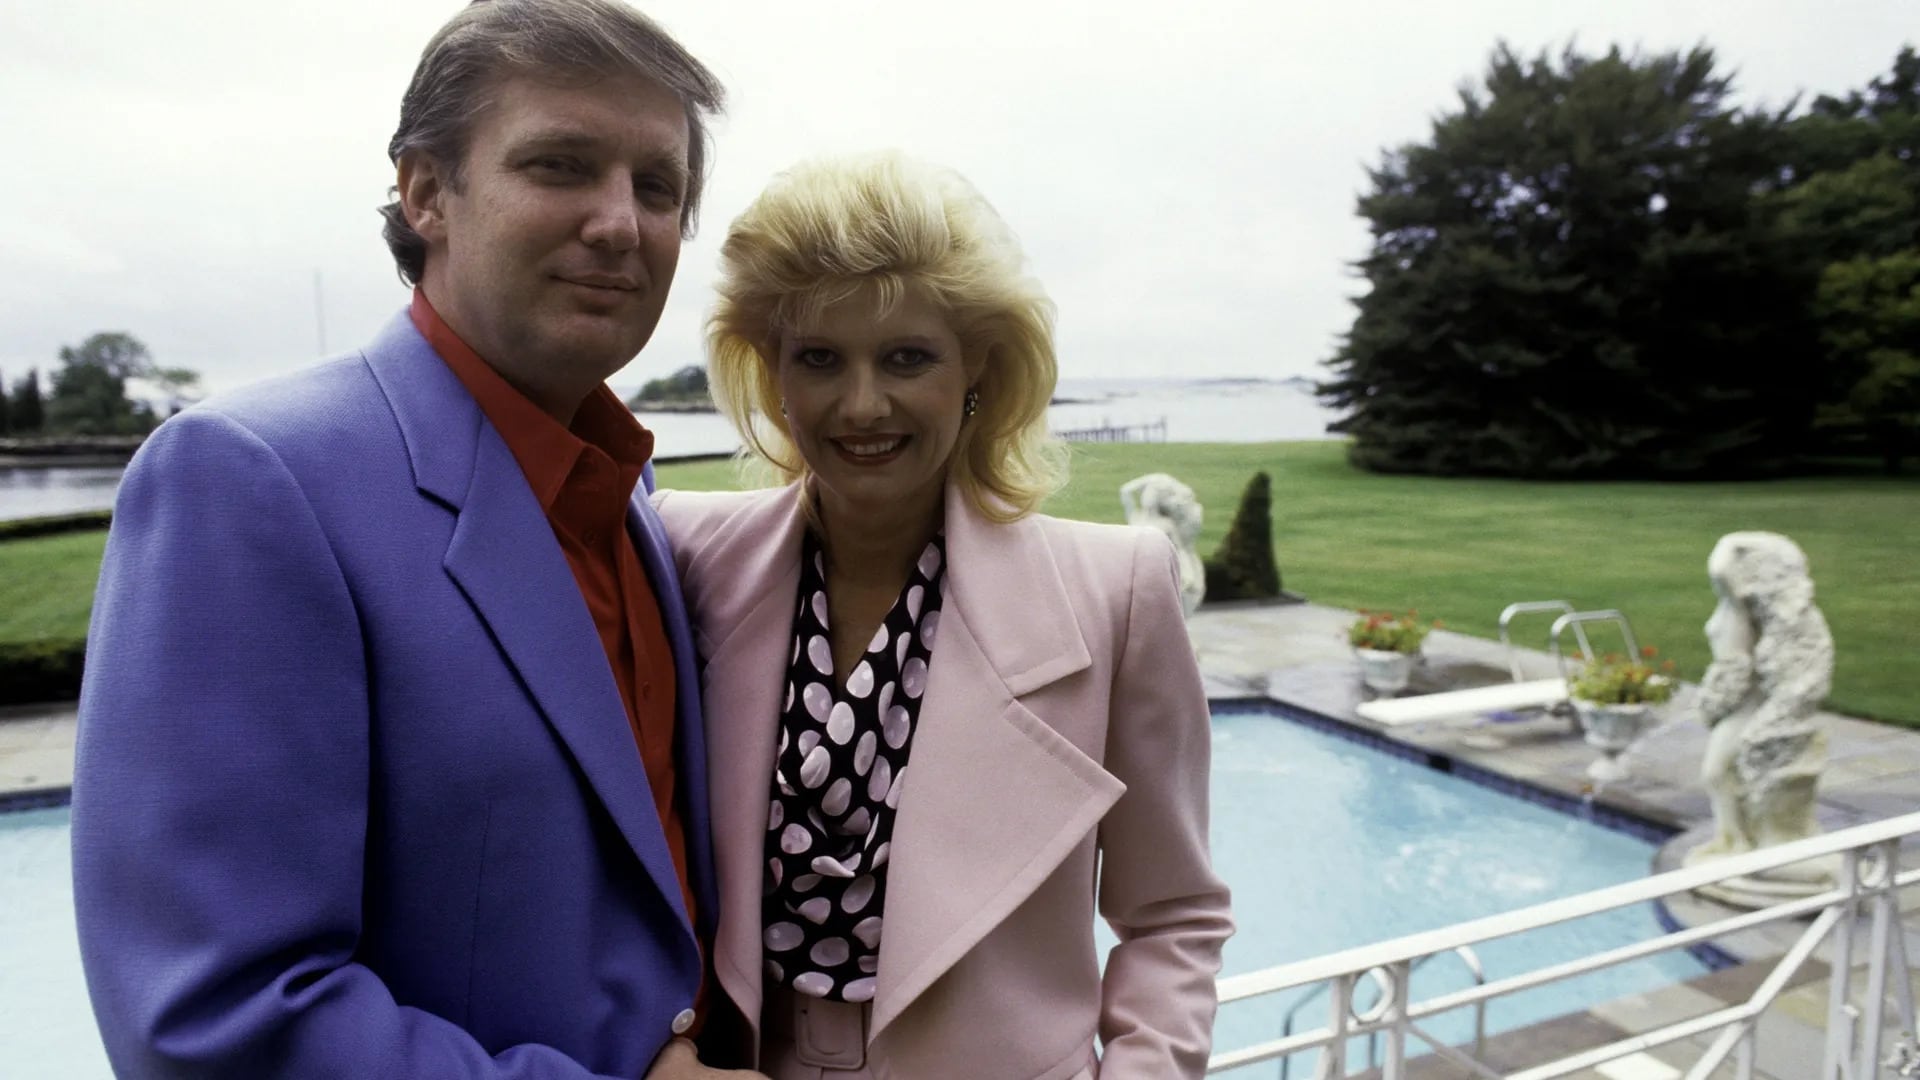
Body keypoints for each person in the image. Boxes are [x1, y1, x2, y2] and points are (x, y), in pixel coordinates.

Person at [70, 2, 756, 1076]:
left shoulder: (625, 494)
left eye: (658, 187)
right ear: (426, 192)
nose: (622, 222)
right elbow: (216, 1023)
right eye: (562, 166)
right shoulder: (248, 481)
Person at [652, 152, 1234, 1079]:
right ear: (772, 374)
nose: (862, 404)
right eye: (819, 358)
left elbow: (1173, 914)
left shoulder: (1115, 592)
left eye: (907, 357)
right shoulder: (685, 556)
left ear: (977, 366)